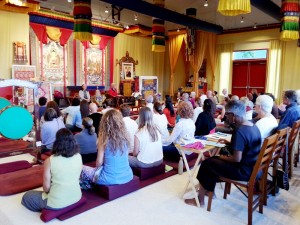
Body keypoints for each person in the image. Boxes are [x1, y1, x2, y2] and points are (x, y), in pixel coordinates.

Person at [185, 100, 261, 207]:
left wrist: (220, 157)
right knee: (213, 163)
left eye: (228, 115)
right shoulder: (253, 126)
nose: (226, 118)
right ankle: (208, 191)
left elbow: (236, 159)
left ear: (233, 115)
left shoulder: (240, 131)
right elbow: (247, 145)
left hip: (243, 171)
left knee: (207, 164)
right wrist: (229, 142)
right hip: (253, 168)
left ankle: (200, 200)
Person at [22, 128, 82, 212]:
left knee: (27, 196)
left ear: (57, 142)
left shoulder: (50, 160)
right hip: (76, 196)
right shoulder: (78, 156)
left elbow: (46, 188)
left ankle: (49, 207)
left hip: (57, 202)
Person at [80, 109, 133, 185]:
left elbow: (98, 163)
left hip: (108, 178)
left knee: (82, 167)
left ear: (104, 123)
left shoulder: (103, 138)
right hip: (127, 175)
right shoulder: (126, 136)